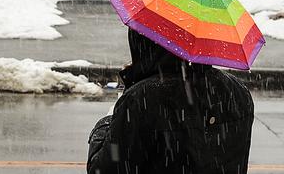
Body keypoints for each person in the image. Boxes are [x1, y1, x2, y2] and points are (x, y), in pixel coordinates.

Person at [87, 29, 254, 174]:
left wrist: (106, 123)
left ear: (144, 41)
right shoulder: (238, 92)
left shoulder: (142, 99)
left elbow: (104, 169)